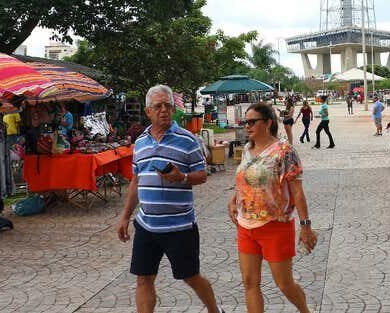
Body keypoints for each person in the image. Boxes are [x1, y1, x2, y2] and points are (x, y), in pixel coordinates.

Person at [117, 85, 223, 313]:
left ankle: (215, 310)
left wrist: (181, 177)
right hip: (146, 226)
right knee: (143, 279)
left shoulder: (188, 140)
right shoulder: (141, 143)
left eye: (168, 105)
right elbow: (136, 181)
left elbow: (202, 176)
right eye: (158, 106)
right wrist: (125, 217)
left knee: (191, 277)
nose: (164, 110)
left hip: (180, 225)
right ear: (148, 111)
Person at [228, 102, 315, 313]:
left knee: (284, 284)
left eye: (251, 122)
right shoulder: (247, 150)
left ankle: (305, 310)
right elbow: (247, 179)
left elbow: (297, 191)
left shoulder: (284, 151)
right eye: (244, 122)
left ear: (267, 123)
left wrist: (305, 226)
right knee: (250, 283)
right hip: (246, 226)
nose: (246, 126)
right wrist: (233, 199)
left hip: (275, 226)